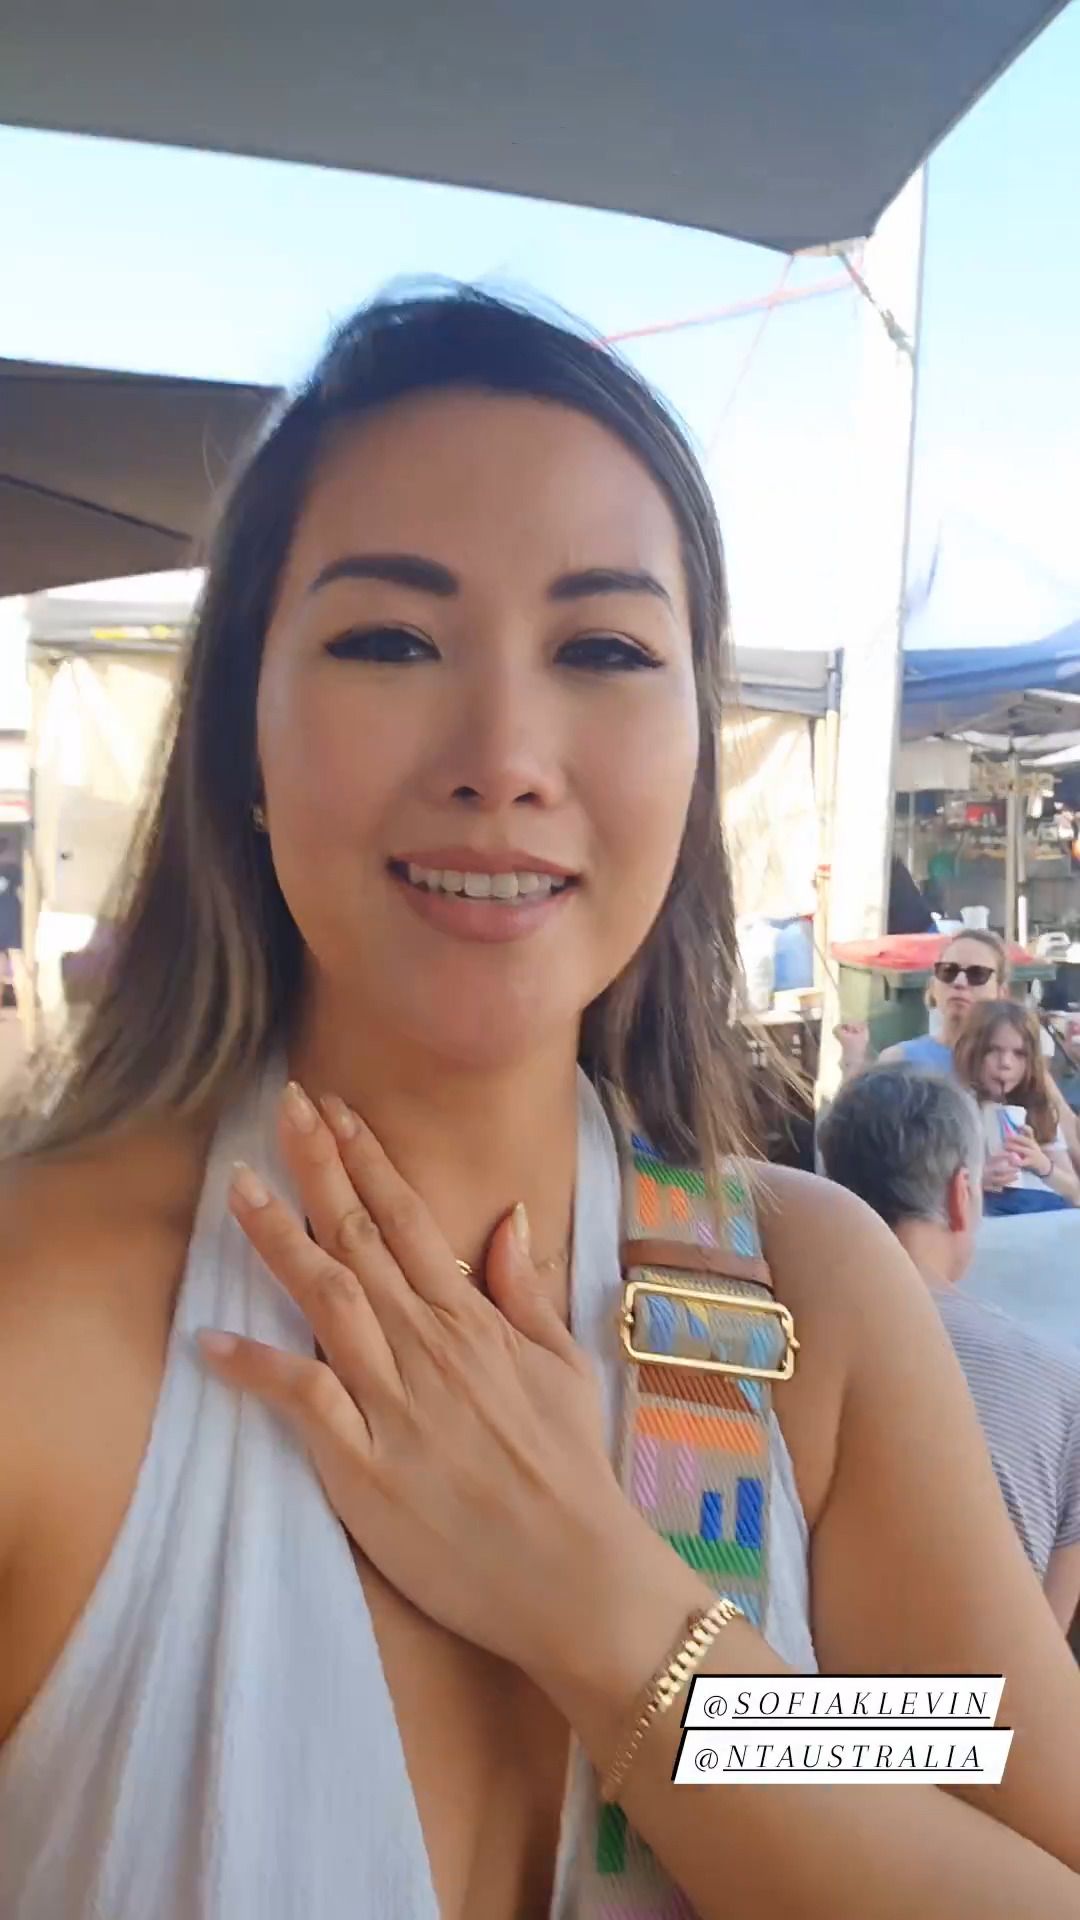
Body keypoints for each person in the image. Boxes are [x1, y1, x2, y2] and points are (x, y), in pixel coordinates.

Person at [3, 290, 1080, 1920]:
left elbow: (962, 1769)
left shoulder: (818, 1305)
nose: (503, 755)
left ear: (692, 753)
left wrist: (618, 1622)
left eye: (604, 650)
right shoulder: (40, 1318)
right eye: (389, 640)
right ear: (239, 735)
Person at [819, 1064, 1080, 1633]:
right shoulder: (1064, 1388)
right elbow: (1045, 1645)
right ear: (962, 1195)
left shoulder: (763, 1342)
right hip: (981, 1688)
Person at [836, 926, 1080, 1183]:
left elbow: (1069, 1144)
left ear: (1001, 993)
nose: (960, 983)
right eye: (948, 972)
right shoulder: (902, 1061)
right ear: (933, 986)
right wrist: (852, 1060)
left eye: (977, 975)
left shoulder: (1016, 1066)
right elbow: (860, 1146)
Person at [953, 1001, 1080, 1216]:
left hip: (1040, 1217)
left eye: (1019, 1054)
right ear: (971, 1051)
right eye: (993, 1050)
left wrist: (1043, 1165)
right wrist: (977, 1180)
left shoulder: (1038, 1110)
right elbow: (927, 1194)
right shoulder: (952, 1109)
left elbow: (1075, 1193)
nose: (1005, 1063)